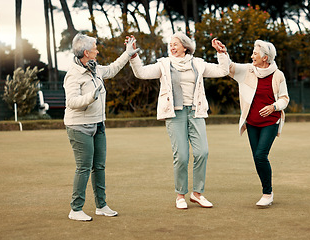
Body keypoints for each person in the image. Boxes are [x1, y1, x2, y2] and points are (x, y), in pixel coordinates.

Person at [129, 32, 229, 209]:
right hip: (175, 114)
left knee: (202, 152)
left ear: (185, 46)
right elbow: (141, 73)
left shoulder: (198, 63)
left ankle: (197, 194)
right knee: (181, 156)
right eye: (170, 44)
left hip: (196, 112)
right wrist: (134, 56)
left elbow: (223, 71)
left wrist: (221, 53)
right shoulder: (164, 64)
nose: (172, 47)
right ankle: (180, 195)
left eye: (175, 44)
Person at [64, 33, 138, 221]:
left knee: (99, 166)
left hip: (98, 124)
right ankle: (76, 209)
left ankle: (101, 206)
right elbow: (72, 102)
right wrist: (91, 97)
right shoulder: (73, 74)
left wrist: (128, 53)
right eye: (95, 48)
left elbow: (113, 69)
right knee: (84, 167)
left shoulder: (95, 68)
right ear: (87, 52)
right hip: (79, 126)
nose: (98, 50)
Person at [214, 39, 290, 207]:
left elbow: (285, 99)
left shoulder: (278, 75)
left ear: (265, 57)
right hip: (252, 123)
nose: (252, 56)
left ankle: (267, 193)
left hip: (271, 121)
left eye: (255, 53)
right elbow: (229, 68)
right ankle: (267, 191)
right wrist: (222, 53)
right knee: (257, 158)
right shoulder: (248, 70)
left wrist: (273, 107)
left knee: (260, 155)